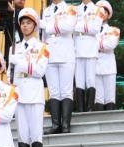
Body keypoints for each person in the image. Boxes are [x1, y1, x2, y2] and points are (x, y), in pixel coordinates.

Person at [9, 7, 49, 147]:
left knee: (36, 133)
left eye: (28, 23)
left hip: (34, 93)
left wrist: (21, 63)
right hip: (19, 94)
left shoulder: (42, 47)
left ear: (35, 25)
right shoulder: (14, 48)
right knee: (22, 133)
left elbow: (39, 71)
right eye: (23, 23)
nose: (25, 26)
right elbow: (11, 74)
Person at [42, 0, 78, 134]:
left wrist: (47, 26)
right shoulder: (46, 11)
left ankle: (65, 124)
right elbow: (43, 36)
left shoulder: (70, 9)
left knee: (66, 90)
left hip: (66, 54)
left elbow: (68, 27)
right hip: (50, 54)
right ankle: (55, 125)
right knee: (54, 91)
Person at [73, 0, 101, 112]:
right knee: (79, 80)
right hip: (77, 47)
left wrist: (78, 26)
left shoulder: (98, 9)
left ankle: (89, 108)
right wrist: (86, 27)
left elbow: (96, 29)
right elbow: (71, 27)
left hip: (90, 48)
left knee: (90, 79)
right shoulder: (75, 10)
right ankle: (80, 108)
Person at [94, 1, 119, 111]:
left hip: (108, 66)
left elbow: (111, 44)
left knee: (110, 97)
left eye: (104, 12)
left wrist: (95, 45)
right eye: (99, 11)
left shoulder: (114, 30)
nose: (102, 14)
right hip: (95, 65)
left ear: (108, 15)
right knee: (98, 98)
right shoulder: (92, 30)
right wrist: (102, 44)